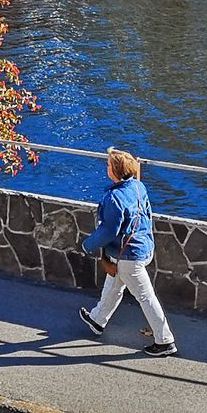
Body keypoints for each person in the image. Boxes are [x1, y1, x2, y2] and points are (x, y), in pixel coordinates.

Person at [78, 146, 178, 357]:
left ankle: (164, 340)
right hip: (142, 248)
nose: (105, 167)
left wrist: (87, 245)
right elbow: (139, 197)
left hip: (128, 256)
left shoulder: (114, 198)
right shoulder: (138, 187)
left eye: (108, 164)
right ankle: (97, 320)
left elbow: (108, 230)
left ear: (114, 170)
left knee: (145, 297)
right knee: (114, 284)